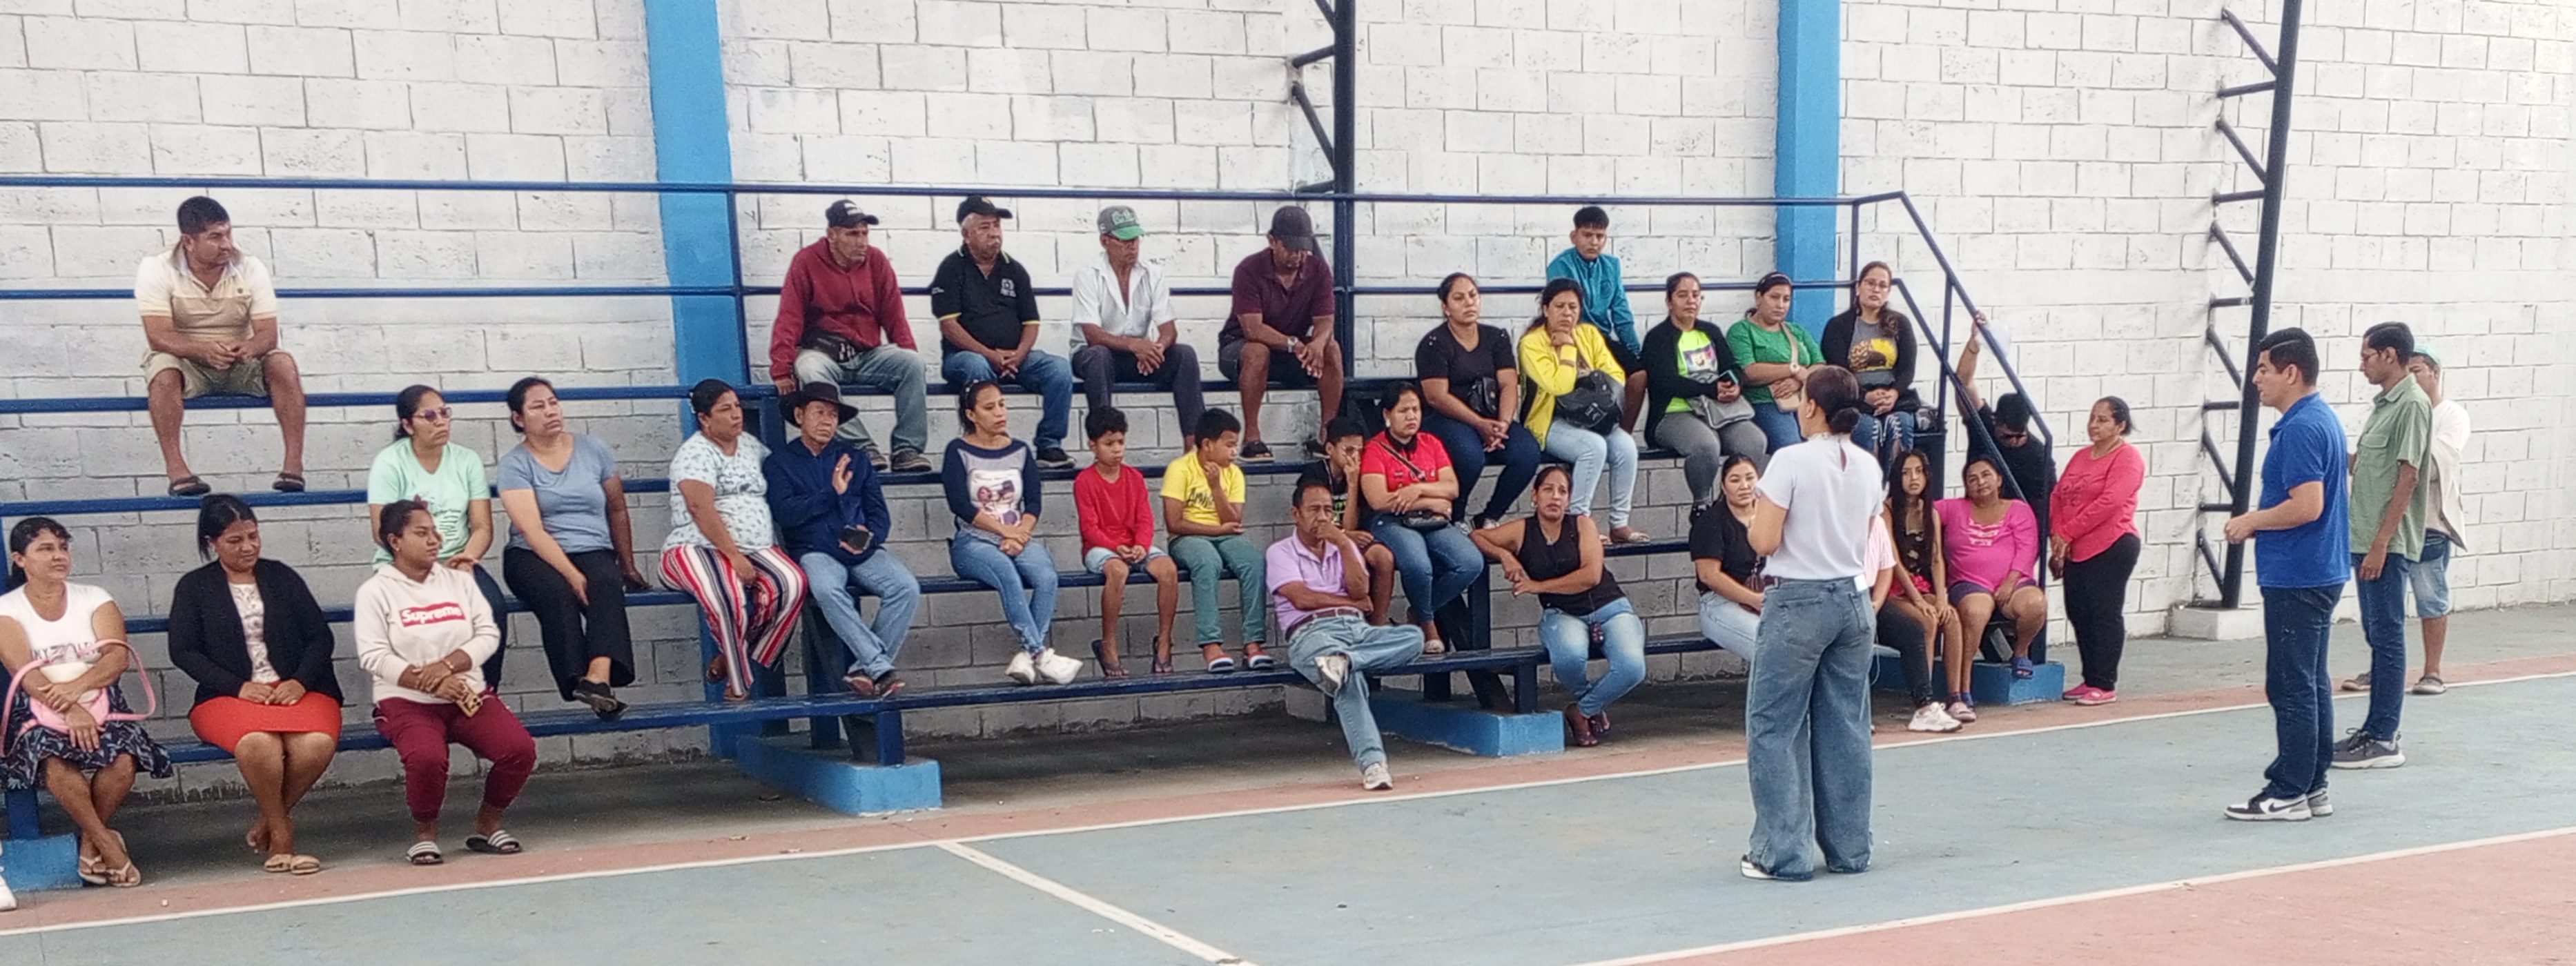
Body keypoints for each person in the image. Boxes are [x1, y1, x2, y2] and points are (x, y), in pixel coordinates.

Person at [1739, 366, 1884, 882]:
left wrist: (1754, 515)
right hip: (1852, 597)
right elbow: (1867, 533)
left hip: (1798, 599)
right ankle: (1850, 849)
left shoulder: (1790, 460)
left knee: (1775, 725)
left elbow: (1764, 541)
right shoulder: (1868, 464)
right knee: (1845, 726)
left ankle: (1783, 853)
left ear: (1812, 407)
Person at [166, 495, 343, 875]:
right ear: (213, 542)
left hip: (298, 690)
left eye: (253, 536)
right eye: (235, 540)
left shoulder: (282, 577)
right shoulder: (194, 587)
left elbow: (320, 637)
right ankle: (282, 835)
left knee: (316, 745)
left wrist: (299, 681)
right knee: (259, 744)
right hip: (227, 696)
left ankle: (267, 820)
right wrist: (237, 686)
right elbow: (183, 651)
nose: (248, 547)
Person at [356, 500, 537, 865]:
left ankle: (488, 823)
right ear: (395, 541)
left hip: (465, 692)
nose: (434, 540)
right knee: (427, 758)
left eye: (435, 532)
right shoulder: (375, 592)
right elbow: (373, 655)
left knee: (519, 749)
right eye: (421, 533)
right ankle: (426, 833)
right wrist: (432, 683)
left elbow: (487, 634)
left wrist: (448, 666)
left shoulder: (460, 581)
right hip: (406, 700)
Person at [0, 518, 173, 888]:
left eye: (63, 548)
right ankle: (108, 845)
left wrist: (78, 691)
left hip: (100, 699)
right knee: (54, 763)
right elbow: (26, 674)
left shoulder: (94, 598)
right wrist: (70, 708)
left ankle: (90, 841)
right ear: (20, 558)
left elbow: (116, 658)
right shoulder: (7, 609)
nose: (59, 556)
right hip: (38, 707)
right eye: (46, 549)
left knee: (123, 761)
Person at [2220, 328, 2349, 822]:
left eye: (2263, 369)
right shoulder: (2320, 420)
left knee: (2291, 683)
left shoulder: (2300, 429)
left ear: (2291, 373)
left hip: (2299, 573)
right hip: (2315, 569)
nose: (2255, 379)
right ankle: (2313, 785)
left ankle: (2290, 788)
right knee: (2310, 681)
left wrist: (2251, 520)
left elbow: (2307, 504)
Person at [137, 195, 309, 496]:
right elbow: (158, 336)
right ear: (188, 242)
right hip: (187, 363)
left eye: (228, 234)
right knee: (162, 373)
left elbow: (268, 335)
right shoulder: (157, 268)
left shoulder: (250, 266)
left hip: (240, 361)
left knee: (283, 363)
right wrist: (202, 350)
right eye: (215, 237)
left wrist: (248, 348)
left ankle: (293, 466)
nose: (227, 244)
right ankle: (177, 470)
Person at [497, 377, 646, 720]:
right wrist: (571, 574)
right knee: (558, 592)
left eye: (553, 403)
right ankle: (580, 680)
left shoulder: (594, 450)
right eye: (538, 406)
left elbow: (617, 509)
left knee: (606, 582)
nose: (550, 411)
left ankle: (598, 678)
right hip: (530, 554)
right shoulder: (515, 464)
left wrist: (627, 565)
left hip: (591, 546)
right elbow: (532, 530)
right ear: (519, 418)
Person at [764, 382, 920, 698]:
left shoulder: (855, 457)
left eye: (833, 415)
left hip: (860, 549)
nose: (827, 421)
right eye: (819, 412)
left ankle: (865, 669)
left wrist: (869, 538)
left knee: (906, 587)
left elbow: (879, 514)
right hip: (815, 550)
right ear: (800, 415)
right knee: (827, 590)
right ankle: (879, 667)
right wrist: (830, 494)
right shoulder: (779, 463)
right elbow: (786, 514)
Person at [1270, 478, 1427, 791]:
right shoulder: (1280, 552)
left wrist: (1343, 543)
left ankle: (1347, 660)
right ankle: (1373, 764)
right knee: (1347, 680)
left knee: (1414, 638)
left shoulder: (1342, 546)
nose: (1323, 517)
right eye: (1314, 510)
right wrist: (1351, 604)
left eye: (1328, 510)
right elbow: (1302, 598)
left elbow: (1361, 590)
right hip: (1312, 632)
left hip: (1357, 630)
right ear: (1296, 514)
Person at [1470, 466, 1643, 748]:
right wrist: (1505, 556)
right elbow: (1477, 536)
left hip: (1610, 607)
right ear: (1534, 495)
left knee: (1632, 667)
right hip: (1563, 613)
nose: (1555, 497)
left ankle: (1581, 711)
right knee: (1569, 659)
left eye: (1562, 491)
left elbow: (1591, 576)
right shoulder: (1522, 530)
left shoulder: (1582, 525)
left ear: (1569, 499)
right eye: (1548, 489)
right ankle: (1593, 705)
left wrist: (1539, 586)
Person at [660, 379, 809, 702]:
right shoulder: (694, 454)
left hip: (757, 546)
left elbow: (782, 470)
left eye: (737, 407)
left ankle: (731, 657)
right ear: (705, 418)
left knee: (792, 584)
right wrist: (735, 556)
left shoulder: (750, 446)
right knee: (727, 598)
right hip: (699, 545)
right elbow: (700, 508)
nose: (736, 415)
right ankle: (739, 687)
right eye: (725, 410)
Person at [768, 199, 933, 473]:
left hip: (868, 353)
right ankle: (862, 447)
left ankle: (907, 450)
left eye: (865, 233)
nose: (862, 241)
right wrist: (781, 368)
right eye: (853, 234)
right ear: (832, 235)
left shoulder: (877, 261)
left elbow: (895, 315)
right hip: (823, 354)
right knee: (808, 368)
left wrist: (908, 350)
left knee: (913, 363)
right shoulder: (806, 261)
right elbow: (789, 317)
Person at [2332, 322, 2430, 770]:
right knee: (2377, 635)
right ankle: (2374, 728)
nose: (2362, 366)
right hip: (2365, 536)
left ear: (2390, 355)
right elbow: (2369, 464)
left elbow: (2408, 476)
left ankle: (2384, 736)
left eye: (2367, 356)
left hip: (2384, 544)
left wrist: (2382, 542)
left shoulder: (2411, 404)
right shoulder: (2385, 405)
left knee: (2387, 637)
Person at [945, 380, 1083, 685]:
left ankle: (1027, 657)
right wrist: (1004, 531)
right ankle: (1040, 653)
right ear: (971, 414)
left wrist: (1019, 533)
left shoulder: (1020, 450)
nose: (1000, 412)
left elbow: (1033, 502)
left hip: (1018, 536)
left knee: (1046, 577)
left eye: (1002, 404)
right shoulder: (958, 450)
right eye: (989, 407)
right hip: (973, 541)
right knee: (1008, 575)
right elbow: (960, 505)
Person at [368, 385, 507, 685]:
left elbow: (482, 527)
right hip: (404, 563)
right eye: (429, 416)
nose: (441, 421)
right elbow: (382, 530)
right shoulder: (390, 462)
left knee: (492, 607)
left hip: (457, 560)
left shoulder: (467, 460)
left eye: (444, 413)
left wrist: (467, 560)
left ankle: (484, 692)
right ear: (408, 425)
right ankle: (422, 694)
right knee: (422, 619)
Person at [933, 195, 1074, 468]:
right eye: (985, 227)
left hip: (1015, 357)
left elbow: (1031, 323)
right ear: (966, 234)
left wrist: (1018, 355)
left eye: (996, 226)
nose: (994, 234)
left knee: (1058, 370)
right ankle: (991, 442)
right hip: (965, 357)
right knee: (976, 366)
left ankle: (1050, 445)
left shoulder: (1015, 269)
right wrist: (990, 355)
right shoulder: (951, 269)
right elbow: (949, 326)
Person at [1361, 382, 1485, 655]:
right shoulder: (1375, 448)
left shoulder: (1431, 442)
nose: (1411, 416)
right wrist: (1433, 500)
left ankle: (1419, 611)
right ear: (1387, 414)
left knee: (1471, 563)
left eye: (1416, 410)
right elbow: (1379, 500)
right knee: (1419, 565)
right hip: (1392, 521)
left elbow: (1452, 488)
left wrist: (1416, 491)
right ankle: (1429, 625)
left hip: (1432, 520)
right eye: (1403, 411)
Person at [1521, 279, 1649, 542]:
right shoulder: (1531, 343)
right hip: (1550, 421)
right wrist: (1568, 348)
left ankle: (1619, 524)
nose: (1567, 313)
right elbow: (1558, 385)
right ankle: (1578, 522)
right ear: (1546, 309)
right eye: (1559, 307)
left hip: (1592, 417)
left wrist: (1589, 382)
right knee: (1594, 448)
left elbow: (1615, 375)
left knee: (1626, 446)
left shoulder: (1589, 334)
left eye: (1573, 307)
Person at [1072, 206, 1206, 451]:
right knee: (1098, 356)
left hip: (1138, 356)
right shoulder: (1088, 275)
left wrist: (1156, 349)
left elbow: (1169, 329)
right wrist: (1135, 345)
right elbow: (1092, 335)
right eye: (1124, 240)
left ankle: (1195, 449)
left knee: (1184, 355)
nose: (1132, 246)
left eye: (1135, 239)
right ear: (1105, 241)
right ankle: (1105, 444)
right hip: (1096, 354)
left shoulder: (1153, 273)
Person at [1413, 273, 1541, 529]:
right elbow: (1436, 396)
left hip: (1491, 417)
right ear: (1446, 307)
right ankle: (1457, 517)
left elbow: (1509, 384)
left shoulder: (1496, 338)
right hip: (1447, 418)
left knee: (1527, 452)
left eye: (1473, 295)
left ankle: (1489, 517)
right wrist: (1479, 424)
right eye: (1459, 298)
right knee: (1470, 456)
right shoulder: (1434, 343)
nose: (1469, 302)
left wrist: (1502, 425)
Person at [1220, 206, 1345, 461]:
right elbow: (1253, 328)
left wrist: (1318, 344)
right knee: (1257, 351)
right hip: (1240, 347)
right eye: (1290, 248)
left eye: (1303, 249)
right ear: (1272, 241)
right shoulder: (1248, 270)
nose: (1297, 255)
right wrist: (1294, 344)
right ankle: (1252, 438)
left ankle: (1327, 436)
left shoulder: (1319, 270)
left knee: (1332, 348)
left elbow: (1325, 321)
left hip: (1291, 350)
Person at [2050, 397, 2145, 706]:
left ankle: (2105, 682)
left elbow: (2109, 503)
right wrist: (2058, 533)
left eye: (2103, 420)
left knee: (2104, 612)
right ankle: (2090, 677)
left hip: (2112, 544)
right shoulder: (2081, 456)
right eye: (2092, 418)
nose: (2094, 425)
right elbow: (2058, 495)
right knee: (2079, 611)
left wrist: (2068, 531)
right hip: (2075, 547)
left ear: (2120, 425)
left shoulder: (2128, 458)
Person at [1074, 406, 1180, 676]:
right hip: (1100, 547)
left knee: (1168, 570)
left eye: (1121, 442)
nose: (1117, 449)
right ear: (1093, 445)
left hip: (1134, 545)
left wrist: (1141, 546)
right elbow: (1089, 528)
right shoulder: (1085, 481)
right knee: (1117, 571)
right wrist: (1116, 547)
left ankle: (1164, 641)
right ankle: (1108, 642)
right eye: (1109, 444)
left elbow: (1145, 519)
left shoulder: (1134, 477)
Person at [1164, 410, 1271, 673]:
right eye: (1229, 445)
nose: (1234, 452)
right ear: (1208, 444)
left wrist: (1215, 487)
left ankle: (1253, 643)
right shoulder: (1179, 469)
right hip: (1187, 538)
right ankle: (1211, 645)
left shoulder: (1233, 473)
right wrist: (1215, 530)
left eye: (1236, 445)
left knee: (1254, 562)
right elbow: (1174, 523)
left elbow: (1234, 519)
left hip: (1225, 533)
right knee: (1207, 562)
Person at [1643, 271, 1766, 499]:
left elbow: (1733, 367)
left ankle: (1732, 503)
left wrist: (1735, 384)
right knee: (1706, 446)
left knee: (1754, 441)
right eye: (1683, 295)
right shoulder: (1658, 337)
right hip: (1674, 413)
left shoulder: (1710, 332)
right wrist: (1711, 389)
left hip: (1718, 410)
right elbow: (1666, 381)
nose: (1691, 301)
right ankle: (1702, 505)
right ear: (1669, 301)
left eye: (1696, 295)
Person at [1937, 457, 2047, 678]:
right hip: (1969, 583)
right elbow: (1916, 509)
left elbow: (2027, 549)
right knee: (1976, 612)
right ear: (1967, 487)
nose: (1980, 482)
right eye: (1973, 479)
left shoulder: (2018, 509)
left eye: (1986, 475)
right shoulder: (1954, 508)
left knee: (2036, 604)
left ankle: (2020, 651)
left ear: (1999, 479)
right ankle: (1963, 678)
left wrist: (2009, 582)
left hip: (2014, 584)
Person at [1543, 206, 1650, 429]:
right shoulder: (1560, 265)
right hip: (1572, 338)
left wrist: (1635, 352)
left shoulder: (1612, 266)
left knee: (1639, 375)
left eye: (1600, 236)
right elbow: (1563, 313)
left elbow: (1622, 312)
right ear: (1574, 236)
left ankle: (1623, 433)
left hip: (1601, 338)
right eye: (1587, 235)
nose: (1594, 242)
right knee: (1586, 382)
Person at [1953, 317, 2058, 540]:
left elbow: (2048, 504)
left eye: (2020, 436)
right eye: (2008, 436)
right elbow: (1963, 383)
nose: (2015, 442)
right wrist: (1975, 342)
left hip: (2014, 530)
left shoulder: (2038, 455)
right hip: (1976, 520)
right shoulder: (1985, 427)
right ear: (1997, 423)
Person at [1886, 450, 1972, 721]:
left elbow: (1936, 559)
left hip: (1922, 586)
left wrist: (1942, 598)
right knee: (1927, 621)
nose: (1913, 478)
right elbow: (1893, 561)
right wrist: (1919, 601)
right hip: (1894, 589)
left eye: (1919, 472)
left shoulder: (1930, 513)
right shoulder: (1887, 510)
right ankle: (1925, 697)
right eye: (1906, 473)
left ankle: (1955, 697)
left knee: (1951, 617)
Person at [2403, 348, 2469, 695]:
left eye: (2416, 370)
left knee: (2430, 597)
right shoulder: (2396, 409)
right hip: (2393, 522)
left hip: (2429, 523)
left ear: (2435, 372)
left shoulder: (2452, 416)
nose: (2411, 379)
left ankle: (2433, 671)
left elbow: (2432, 465)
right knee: (2384, 602)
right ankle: (2382, 667)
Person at [1864, 511, 1958, 733]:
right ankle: (1857, 713)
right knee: (1850, 642)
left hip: (1871, 598)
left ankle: (1924, 706)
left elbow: (1886, 568)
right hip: (1838, 597)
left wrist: (1875, 605)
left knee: (1913, 631)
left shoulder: (1877, 524)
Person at [1819, 262, 1920, 460]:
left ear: (1888, 292)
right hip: (1854, 398)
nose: (1876, 290)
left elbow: (1907, 368)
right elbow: (1838, 372)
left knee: (1900, 424)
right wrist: (1865, 396)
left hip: (1892, 396)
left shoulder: (1900, 323)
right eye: (1870, 283)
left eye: (1883, 286)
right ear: (1858, 287)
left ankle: (1896, 478)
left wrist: (1894, 393)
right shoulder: (1838, 326)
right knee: (1868, 428)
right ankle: (1869, 478)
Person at [1302, 415, 1397, 625]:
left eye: (1360, 451)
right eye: (1349, 450)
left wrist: (1353, 484)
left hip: (1351, 536)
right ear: (1330, 449)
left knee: (1384, 557)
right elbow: (1316, 524)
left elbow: (1351, 524)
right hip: (1322, 539)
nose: (1355, 457)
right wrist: (1346, 536)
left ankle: (1378, 624)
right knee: (1350, 560)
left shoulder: (1361, 473)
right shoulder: (1314, 475)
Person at [1727, 272, 1826, 453]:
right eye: (1774, 297)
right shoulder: (1741, 331)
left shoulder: (1796, 330)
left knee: (1824, 445)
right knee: (1791, 448)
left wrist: (1798, 381)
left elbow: (1820, 365)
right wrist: (1793, 369)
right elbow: (1749, 371)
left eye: (1786, 299)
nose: (1781, 305)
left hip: (1803, 402)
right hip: (1764, 403)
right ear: (1759, 298)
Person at [1691, 455, 1766, 659]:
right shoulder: (1711, 522)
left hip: (1768, 595)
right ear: (1723, 487)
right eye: (1735, 480)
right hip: (1720, 601)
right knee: (1768, 646)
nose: (1744, 486)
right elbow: (1709, 576)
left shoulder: (1769, 515)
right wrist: (1755, 600)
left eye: (1750, 478)